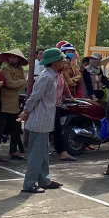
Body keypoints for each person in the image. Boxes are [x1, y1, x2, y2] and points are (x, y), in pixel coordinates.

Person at [18, 47, 65, 194]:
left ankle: (44, 180)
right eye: (61, 60)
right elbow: (35, 96)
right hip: (40, 120)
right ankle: (29, 183)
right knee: (37, 154)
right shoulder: (46, 77)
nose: (63, 61)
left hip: (45, 120)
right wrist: (26, 111)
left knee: (44, 152)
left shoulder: (52, 75)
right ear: (55, 62)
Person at [0, 48, 28, 162]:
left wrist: (18, 83)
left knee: (16, 130)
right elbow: (9, 84)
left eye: (15, 57)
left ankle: (14, 152)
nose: (12, 59)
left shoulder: (20, 69)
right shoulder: (5, 68)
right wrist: (20, 83)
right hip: (3, 103)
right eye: (11, 57)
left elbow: (24, 83)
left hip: (14, 103)